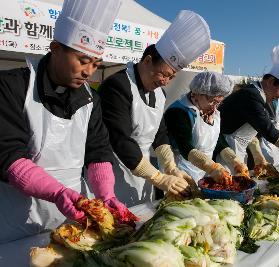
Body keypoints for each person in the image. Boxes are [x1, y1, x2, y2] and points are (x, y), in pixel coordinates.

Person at [0, 0, 130, 243]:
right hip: (17, 220)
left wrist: (106, 194)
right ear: (56, 47)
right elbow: (9, 155)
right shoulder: (12, 86)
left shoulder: (91, 98)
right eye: (82, 60)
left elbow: (98, 151)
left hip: (71, 219)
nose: (89, 71)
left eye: (96, 64)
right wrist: (58, 192)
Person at [99, 10, 211, 206]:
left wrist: (170, 168)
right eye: (163, 74)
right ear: (148, 60)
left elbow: (160, 135)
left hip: (143, 174)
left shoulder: (160, 94)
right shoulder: (118, 86)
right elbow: (120, 140)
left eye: (171, 77)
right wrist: (159, 178)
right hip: (112, 173)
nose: (166, 82)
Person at [215, 44, 279, 175]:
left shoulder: (259, 96)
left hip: (238, 153)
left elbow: (249, 129)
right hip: (225, 153)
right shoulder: (251, 96)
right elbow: (269, 132)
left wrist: (258, 155)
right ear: (270, 81)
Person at [164, 72, 248, 184]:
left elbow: (217, 141)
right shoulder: (179, 111)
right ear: (198, 93)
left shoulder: (213, 113)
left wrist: (235, 161)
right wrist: (212, 167)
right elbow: (185, 147)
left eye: (218, 102)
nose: (214, 106)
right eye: (212, 100)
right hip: (181, 171)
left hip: (203, 171)